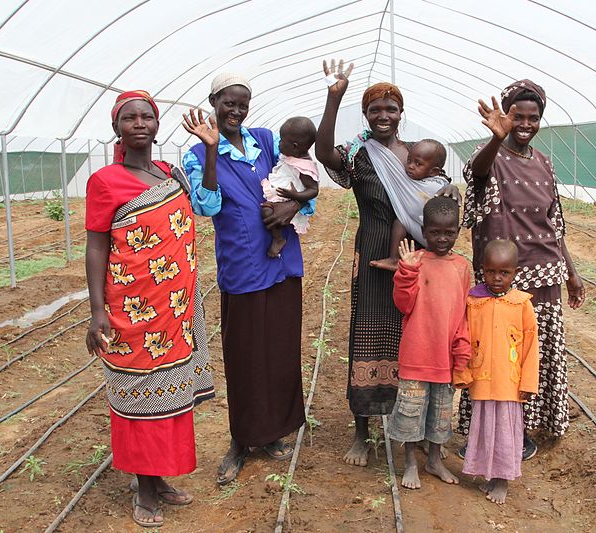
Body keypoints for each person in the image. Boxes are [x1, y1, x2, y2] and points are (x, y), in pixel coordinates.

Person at [316, 59, 460, 467]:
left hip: (414, 256)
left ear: (401, 114)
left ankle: (409, 429)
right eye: (375, 109)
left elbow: (440, 198)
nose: (383, 116)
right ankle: (362, 430)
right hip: (373, 248)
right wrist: (334, 98)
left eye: (390, 109)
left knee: (412, 337)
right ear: (365, 115)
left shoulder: (416, 155)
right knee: (367, 331)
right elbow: (324, 152)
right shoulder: (359, 153)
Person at [85, 90, 215, 528]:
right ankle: (143, 490)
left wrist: (211, 149)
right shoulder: (105, 181)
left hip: (175, 309)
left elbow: (207, 205)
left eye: (147, 116)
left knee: (170, 391)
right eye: (129, 118)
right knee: (139, 395)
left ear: (157, 125)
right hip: (132, 310)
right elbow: (97, 244)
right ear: (116, 127)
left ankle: (158, 479)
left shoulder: (170, 173)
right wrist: (96, 310)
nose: (139, 123)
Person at [181, 73, 314, 485]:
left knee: (279, 349)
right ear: (214, 101)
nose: (236, 111)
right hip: (242, 264)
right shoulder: (196, 153)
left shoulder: (266, 140)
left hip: (282, 260)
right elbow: (205, 205)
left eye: (243, 103)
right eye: (228, 103)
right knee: (243, 356)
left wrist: (291, 208)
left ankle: (272, 433)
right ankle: (241, 440)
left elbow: (301, 180)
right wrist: (209, 150)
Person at [456, 79, 586, 460]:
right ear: (507, 116)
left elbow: (554, 224)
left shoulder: (544, 163)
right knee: (496, 358)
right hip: (503, 279)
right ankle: (488, 432)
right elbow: (476, 174)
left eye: (534, 117)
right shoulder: (490, 155)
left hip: (545, 275)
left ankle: (524, 430)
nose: (525, 124)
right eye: (518, 116)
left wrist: (572, 274)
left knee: (534, 355)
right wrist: (497, 137)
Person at [389, 196, 471, 489]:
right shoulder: (415, 262)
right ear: (424, 230)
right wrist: (407, 272)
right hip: (416, 355)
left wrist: (461, 352)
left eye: (449, 233)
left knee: (440, 415)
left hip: (444, 359)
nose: (442, 238)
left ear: (458, 231)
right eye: (435, 232)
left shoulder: (462, 267)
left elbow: (462, 313)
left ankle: (434, 460)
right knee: (411, 413)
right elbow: (403, 304)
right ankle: (410, 462)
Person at [455, 239, 539, 505]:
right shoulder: (473, 301)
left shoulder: (521, 304)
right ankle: (489, 475)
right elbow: (464, 337)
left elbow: (531, 345)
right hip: (481, 379)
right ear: (482, 269)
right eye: (491, 271)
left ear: (515, 272)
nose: (497, 278)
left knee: (504, 431)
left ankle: (502, 480)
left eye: (504, 273)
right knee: (484, 428)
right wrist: (462, 372)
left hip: (509, 383)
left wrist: (528, 381)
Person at [370, 139, 449, 272]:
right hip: (419, 229)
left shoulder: (435, 186)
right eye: (409, 161)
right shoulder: (407, 180)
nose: (411, 166)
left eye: (418, 164)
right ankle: (394, 259)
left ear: (433, 172)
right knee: (400, 221)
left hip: (435, 235)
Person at [260, 116, 320, 258]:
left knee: (267, 212)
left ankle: (278, 238)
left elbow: (313, 190)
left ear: (294, 146)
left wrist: (295, 197)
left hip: (290, 198)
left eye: (281, 141)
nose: (278, 143)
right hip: (285, 194)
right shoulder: (292, 155)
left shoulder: (305, 166)